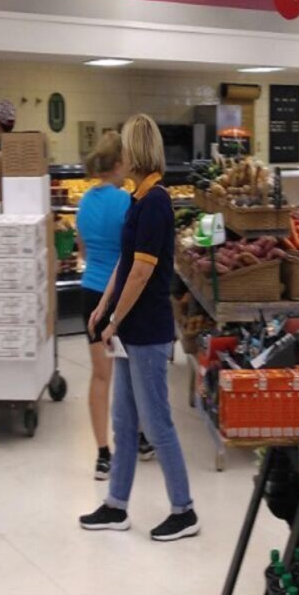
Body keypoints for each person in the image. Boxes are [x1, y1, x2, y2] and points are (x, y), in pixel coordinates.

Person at [79, 114, 199, 542]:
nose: (122, 154)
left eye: (127, 147)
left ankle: (184, 510)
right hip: (131, 331)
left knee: (157, 423)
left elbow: (142, 273)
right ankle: (116, 505)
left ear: (138, 152)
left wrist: (114, 320)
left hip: (147, 331)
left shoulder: (157, 203)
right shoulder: (137, 198)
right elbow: (124, 261)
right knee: (124, 420)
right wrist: (104, 306)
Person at [77, 131, 154, 478]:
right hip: (121, 297)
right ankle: (138, 438)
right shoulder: (127, 202)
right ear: (120, 164)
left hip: (90, 293)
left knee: (100, 375)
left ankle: (102, 455)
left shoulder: (84, 202)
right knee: (130, 370)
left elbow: (83, 252)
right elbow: (137, 256)